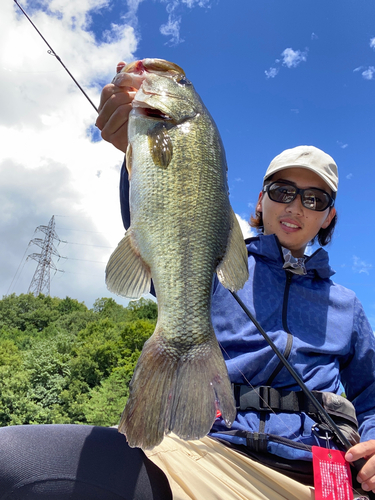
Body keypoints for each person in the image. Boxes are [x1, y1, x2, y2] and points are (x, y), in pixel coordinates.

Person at [94, 62, 375, 500]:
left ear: (328, 218)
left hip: (320, 473)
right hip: (211, 451)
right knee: (30, 461)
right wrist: (134, 154)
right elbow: (161, 237)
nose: (295, 206)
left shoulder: (348, 306)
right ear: (260, 203)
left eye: (313, 198)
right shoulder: (218, 260)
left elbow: (370, 392)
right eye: (282, 191)